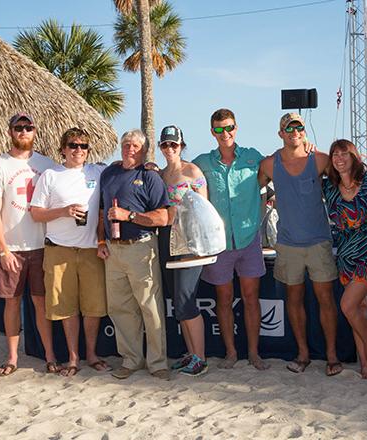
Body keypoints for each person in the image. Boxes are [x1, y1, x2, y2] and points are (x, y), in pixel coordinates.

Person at [258, 113, 342, 375]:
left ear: (304, 132)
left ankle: (331, 356)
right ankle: (303, 354)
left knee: (325, 299)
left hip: (319, 242)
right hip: (288, 244)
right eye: (289, 128)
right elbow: (252, 190)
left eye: (299, 127)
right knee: (294, 300)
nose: (294, 131)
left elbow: (349, 176)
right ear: (280, 133)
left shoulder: (320, 160)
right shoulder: (270, 165)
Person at [192, 108, 269, 370]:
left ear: (236, 128)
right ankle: (231, 353)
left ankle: (254, 353)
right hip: (219, 243)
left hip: (249, 239)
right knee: (223, 299)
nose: (225, 133)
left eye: (229, 128)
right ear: (212, 132)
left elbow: (282, 164)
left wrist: (306, 147)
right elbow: (178, 173)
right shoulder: (202, 162)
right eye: (218, 129)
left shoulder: (253, 157)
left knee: (251, 298)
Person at [30, 127, 107, 377]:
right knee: (65, 307)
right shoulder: (51, 175)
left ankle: (92, 354)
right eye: (73, 145)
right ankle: (74, 357)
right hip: (58, 250)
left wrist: (149, 165)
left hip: (90, 250)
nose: (78, 150)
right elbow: (36, 213)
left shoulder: (97, 171)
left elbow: (124, 169)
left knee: (93, 306)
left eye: (83, 146)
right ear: (63, 149)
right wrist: (63, 211)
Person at [0, 113, 58, 376]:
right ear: (10, 132)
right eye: (19, 128)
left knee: (41, 303)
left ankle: (50, 355)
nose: (24, 132)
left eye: (28, 127)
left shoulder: (47, 165)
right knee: (12, 303)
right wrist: (3, 248)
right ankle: (12, 357)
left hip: (41, 246)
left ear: (35, 132)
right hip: (12, 248)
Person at [99, 129, 170, 380]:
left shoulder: (150, 177)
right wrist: (100, 240)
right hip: (113, 250)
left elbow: (163, 217)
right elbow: (100, 211)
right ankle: (131, 360)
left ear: (144, 151)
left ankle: (158, 363)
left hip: (141, 248)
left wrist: (129, 216)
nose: (130, 149)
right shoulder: (109, 173)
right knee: (120, 309)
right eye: (127, 144)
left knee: (150, 308)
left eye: (136, 146)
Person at [323, 139, 367, 378]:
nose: (339, 159)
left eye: (344, 154)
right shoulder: (328, 186)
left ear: (354, 157)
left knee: (347, 305)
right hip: (345, 254)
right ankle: (365, 364)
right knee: (359, 308)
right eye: (334, 155)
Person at [157, 125, 209, 377]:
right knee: (178, 301)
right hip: (166, 240)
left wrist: (199, 246)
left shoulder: (193, 172)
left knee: (187, 300)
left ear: (181, 145)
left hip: (189, 241)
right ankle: (191, 354)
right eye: (165, 145)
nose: (169, 149)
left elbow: (205, 210)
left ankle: (200, 358)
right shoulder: (160, 174)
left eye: (173, 145)